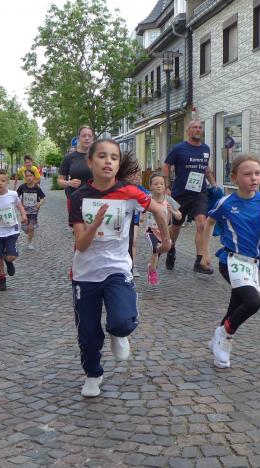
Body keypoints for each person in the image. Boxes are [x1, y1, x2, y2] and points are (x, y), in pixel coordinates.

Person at [69, 139, 172, 397]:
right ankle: (93, 374)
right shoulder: (79, 197)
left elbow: (159, 210)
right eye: (102, 156)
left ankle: (118, 332)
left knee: (122, 320)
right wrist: (96, 223)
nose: (108, 161)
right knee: (88, 332)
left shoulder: (130, 192)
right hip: (85, 272)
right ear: (90, 162)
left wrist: (167, 240)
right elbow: (81, 244)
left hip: (117, 268)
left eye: (114, 158)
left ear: (118, 164)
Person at [208, 154, 260, 368]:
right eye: (247, 174)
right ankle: (224, 335)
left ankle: (219, 341)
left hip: (253, 264)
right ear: (234, 178)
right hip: (230, 260)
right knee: (252, 302)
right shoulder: (226, 202)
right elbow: (208, 223)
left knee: (236, 306)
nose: (254, 178)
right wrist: (203, 253)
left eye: (257, 173)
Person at [163, 120, 216, 274]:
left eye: (200, 127)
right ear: (188, 131)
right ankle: (171, 249)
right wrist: (166, 186)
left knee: (202, 224)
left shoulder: (206, 149)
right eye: (194, 127)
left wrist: (214, 184)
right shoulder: (179, 149)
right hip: (180, 193)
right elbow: (166, 165)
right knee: (176, 227)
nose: (197, 130)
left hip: (200, 193)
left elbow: (206, 168)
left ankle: (199, 262)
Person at [146, 173, 182, 286]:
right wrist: (141, 216)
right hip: (151, 230)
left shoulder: (169, 200)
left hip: (164, 231)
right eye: (156, 184)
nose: (159, 186)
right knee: (155, 249)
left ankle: (151, 265)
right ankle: (152, 273)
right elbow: (140, 210)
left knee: (166, 247)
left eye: (161, 184)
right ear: (150, 186)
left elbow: (179, 216)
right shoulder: (147, 198)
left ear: (165, 186)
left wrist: (173, 211)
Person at [58, 126, 94, 205]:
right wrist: (69, 183)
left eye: (89, 136)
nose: (87, 138)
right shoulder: (69, 157)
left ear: (92, 139)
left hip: (94, 199)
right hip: (75, 199)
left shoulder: (98, 156)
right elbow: (60, 181)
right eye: (84, 135)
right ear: (78, 138)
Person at [17, 168, 46, 250]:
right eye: (27, 176)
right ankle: (26, 229)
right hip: (24, 211)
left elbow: (43, 197)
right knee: (26, 230)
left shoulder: (37, 188)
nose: (29, 178)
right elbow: (16, 196)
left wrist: (39, 203)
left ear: (33, 177)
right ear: (25, 177)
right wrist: (19, 204)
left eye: (30, 176)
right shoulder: (22, 187)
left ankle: (29, 243)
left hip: (33, 211)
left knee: (31, 227)